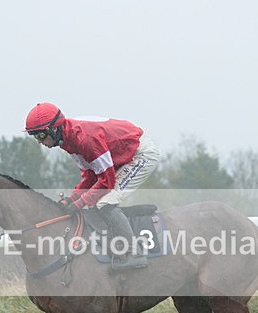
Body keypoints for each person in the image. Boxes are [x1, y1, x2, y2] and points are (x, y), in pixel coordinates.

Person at [24, 102, 160, 271]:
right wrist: (71, 199)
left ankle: (134, 253)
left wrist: (79, 203)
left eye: (41, 135)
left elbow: (106, 182)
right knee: (96, 201)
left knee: (105, 202)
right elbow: (90, 176)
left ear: (54, 128)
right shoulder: (68, 140)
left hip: (141, 154)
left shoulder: (84, 139)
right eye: (35, 136)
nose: (39, 141)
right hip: (121, 154)